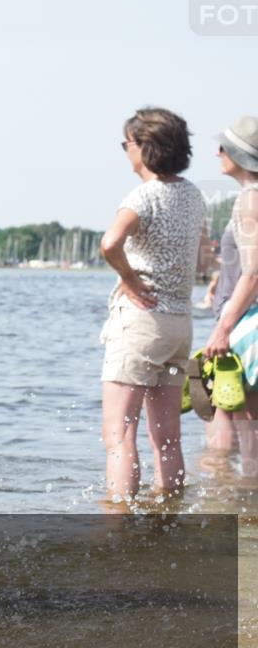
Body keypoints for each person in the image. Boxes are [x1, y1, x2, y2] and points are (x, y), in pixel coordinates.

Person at [99, 107, 206, 503]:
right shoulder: (193, 195)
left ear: (145, 147)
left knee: (119, 434)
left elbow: (110, 243)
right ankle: (167, 516)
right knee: (167, 438)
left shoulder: (143, 196)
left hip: (142, 323)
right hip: (179, 324)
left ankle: (118, 523)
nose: (125, 150)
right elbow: (203, 257)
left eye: (127, 143)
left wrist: (129, 279)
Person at [202, 115, 258, 478]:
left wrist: (222, 328)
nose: (217, 153)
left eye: (223, 147)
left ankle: (245, 504)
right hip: (245, 316)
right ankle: (229, 496)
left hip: (247, 322)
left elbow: (254, 272)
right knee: (233, 413)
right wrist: (220, 278)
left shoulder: (251, 199)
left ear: (240, 155)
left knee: (249, 430)